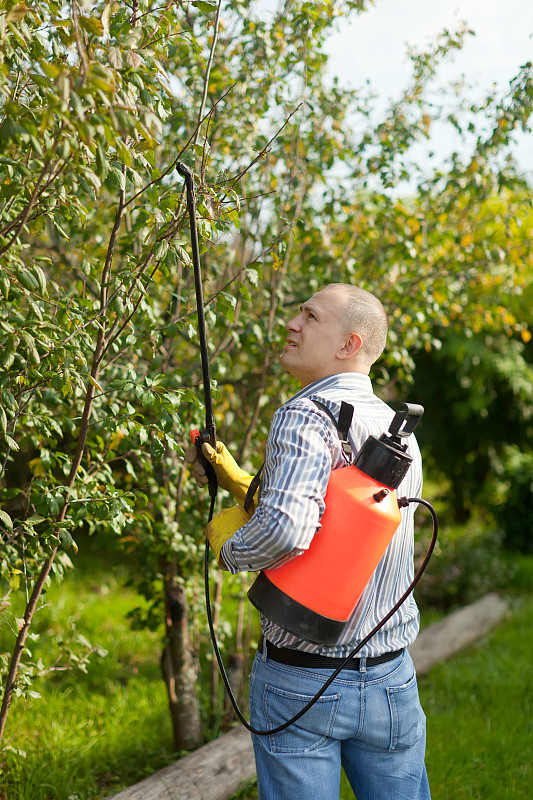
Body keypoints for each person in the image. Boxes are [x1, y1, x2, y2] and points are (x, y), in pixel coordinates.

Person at [186, 283, 430, 800]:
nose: (292, 325)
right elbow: (343, 517)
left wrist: (231, 547)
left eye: (310, 317)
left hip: (303, 681)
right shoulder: (397, 428)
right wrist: (243, 484)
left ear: (349, 344)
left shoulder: (303, 414)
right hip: (390, 678)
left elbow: (289, 529)